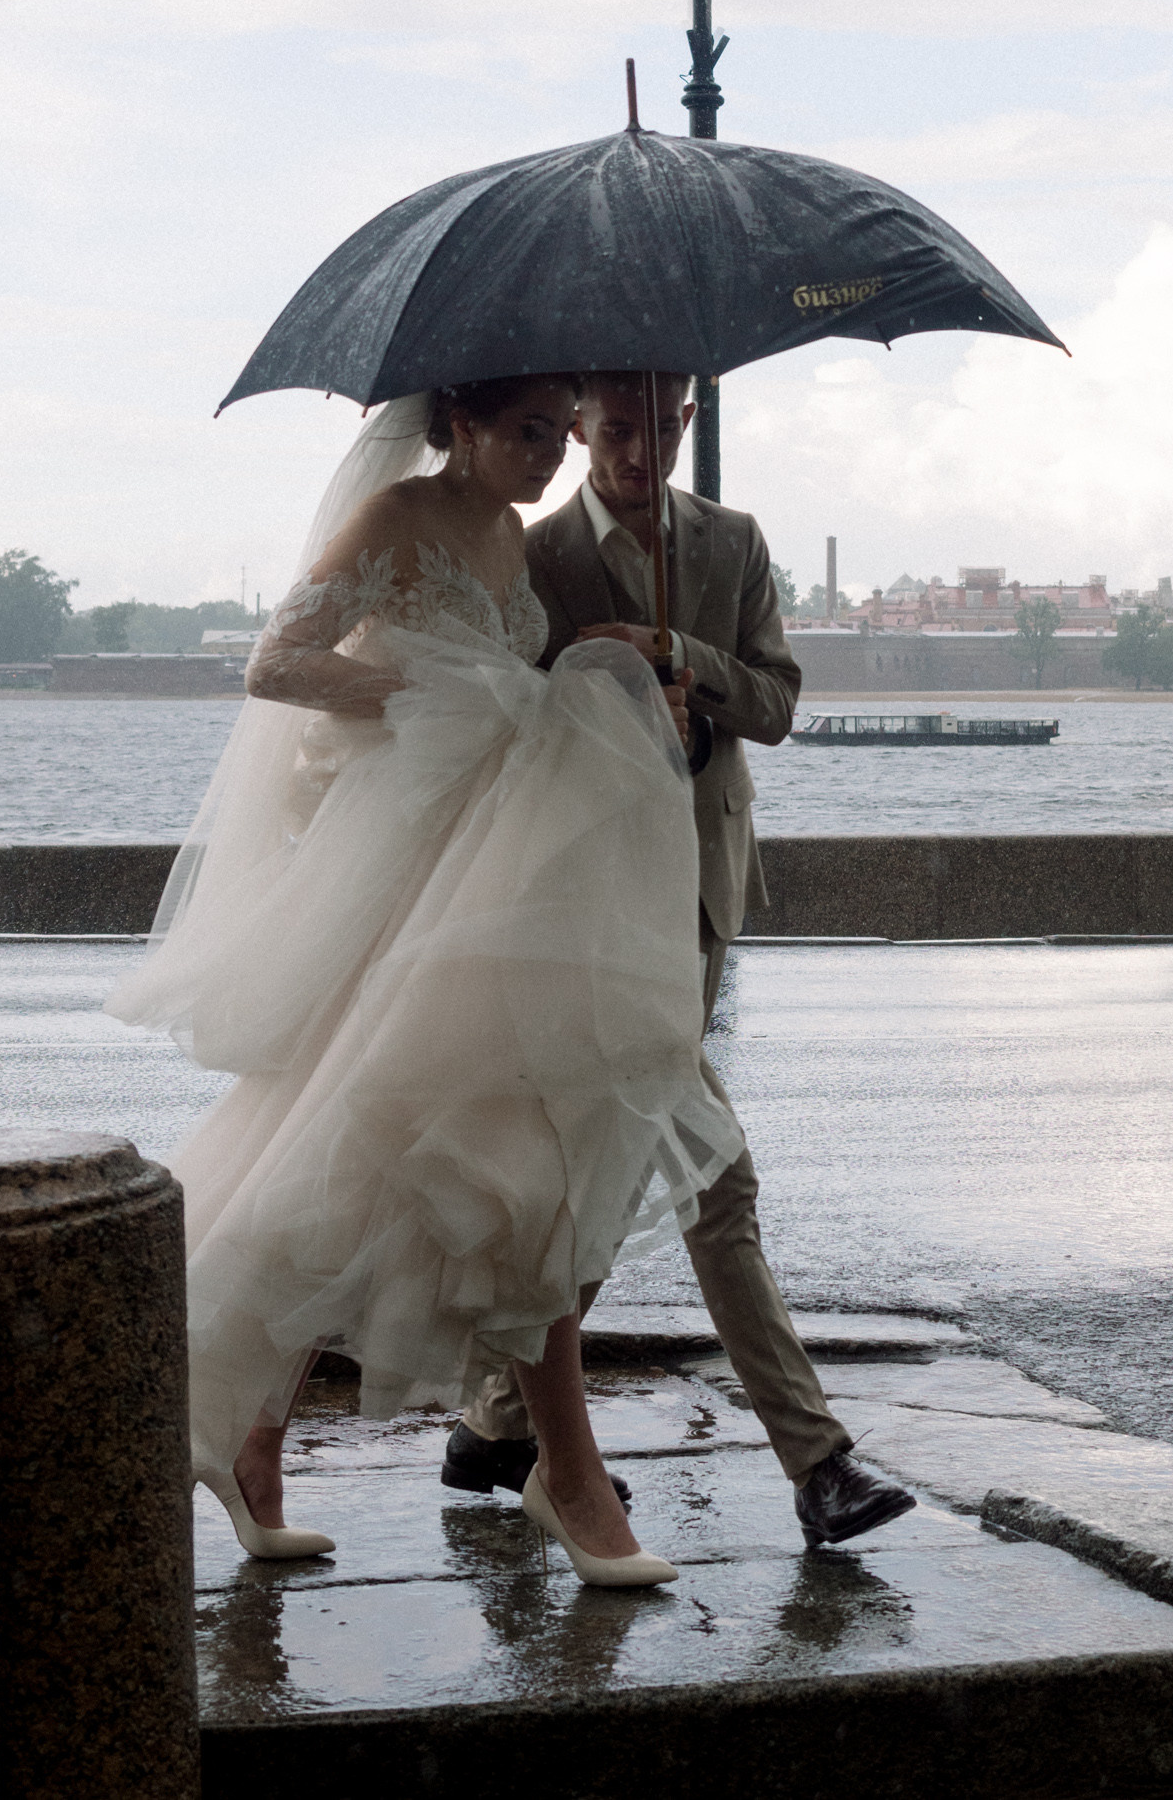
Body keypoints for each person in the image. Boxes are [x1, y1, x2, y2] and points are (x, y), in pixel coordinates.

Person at [107, 377, 742, 1587]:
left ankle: (256, 1440)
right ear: (457, 422)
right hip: (403, 889)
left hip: (485, 889)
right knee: (430, 1160)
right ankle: (566, 1479)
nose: (551, 460)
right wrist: (423, 692)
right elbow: (278, 663)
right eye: (527, 434)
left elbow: (515, 705)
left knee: (455, 1163)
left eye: (560, 436)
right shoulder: (394, 516)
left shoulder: (507, 531)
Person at [443, 371, 917, 1550]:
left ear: (685, 424)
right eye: (611, 434)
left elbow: (774, 702)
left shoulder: (735, 542)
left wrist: (674, 651)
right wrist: (613, 702)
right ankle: (817, 1464)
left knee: (619, 1157)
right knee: (715, 1179)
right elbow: (515, 723)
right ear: (586, 425)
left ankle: (496, 1424)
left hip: (699, 893)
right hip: (589, 905)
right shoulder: (536, 553)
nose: (633, 458)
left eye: (658, 433)